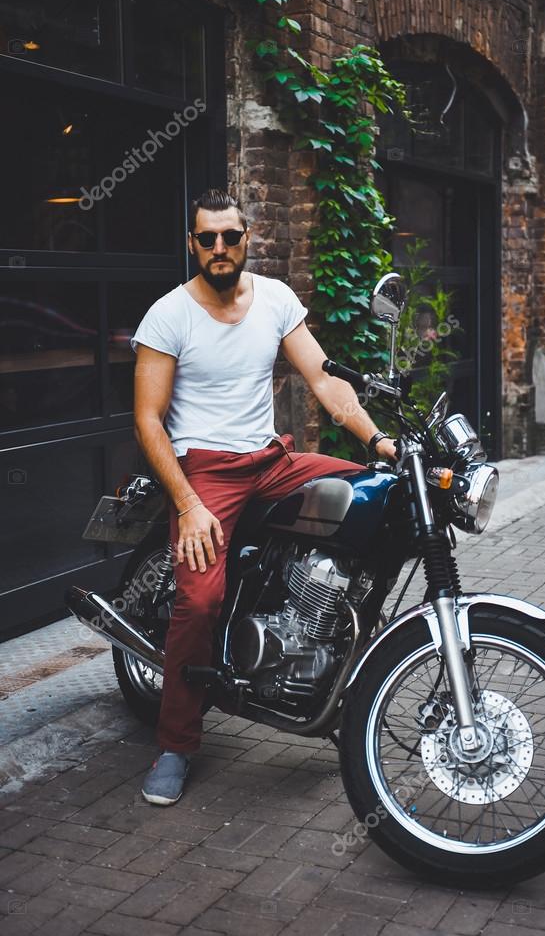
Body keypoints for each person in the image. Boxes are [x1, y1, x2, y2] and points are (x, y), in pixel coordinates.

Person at [131, 188, 397, 805]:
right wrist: (189, 504)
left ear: (248, 239)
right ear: (192, 244)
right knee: (199, 601)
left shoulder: (275, 299)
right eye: (207, 238)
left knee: (374, 496)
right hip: (206, 472)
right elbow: (148, 420)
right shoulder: (168, 315)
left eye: (230, 236)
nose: (219, 248)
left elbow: (325, 382)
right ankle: (175, 742)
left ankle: (332, 668)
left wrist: (380, 442)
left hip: (271, 459)